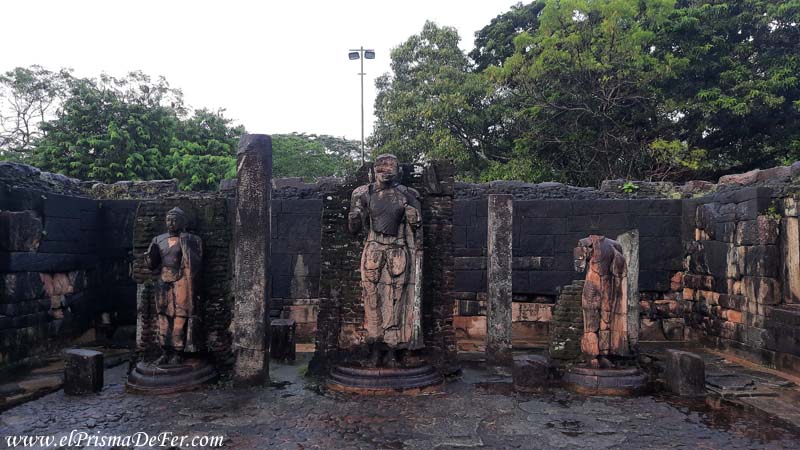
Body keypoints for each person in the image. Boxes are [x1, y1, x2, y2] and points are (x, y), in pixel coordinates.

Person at [348, 154, 423, 367]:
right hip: (373, 248)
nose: (386, 169)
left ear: (399, 170)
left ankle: (393, 347)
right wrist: (354, 218)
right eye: (381, 165)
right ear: (373, 170)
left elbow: (419, 233)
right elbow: (354, 229)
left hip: (398, 249)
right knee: (372, 299)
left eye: (391, 165)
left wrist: (415, 220)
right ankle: (375, 345)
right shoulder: (364, 193)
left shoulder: (408, 194)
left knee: (397, 299)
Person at [144, 207, 203, 365]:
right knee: (163, 316)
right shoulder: (158, 239)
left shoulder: (191, 239)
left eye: (175, 219)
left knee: (179, 316)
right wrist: (150, 258)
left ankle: (178, 351)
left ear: (182, 222)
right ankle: (165, 350)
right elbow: (151, 263)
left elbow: (196, 263)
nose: (171, 223)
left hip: (181, 280)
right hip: (163, 280)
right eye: (169, 219)